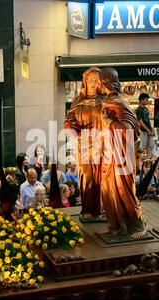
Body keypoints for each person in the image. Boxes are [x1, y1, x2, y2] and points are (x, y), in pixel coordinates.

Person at [99, 67, 147, 238]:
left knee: (123, 189)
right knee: (108, 189)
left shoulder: (119, 102)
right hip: (109, 152)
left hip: (121, 154)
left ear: (105, 82)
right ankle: (118, 226)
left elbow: (131, 127)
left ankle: (137, 223)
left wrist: (110, 122)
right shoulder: (107, 100)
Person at [64, 67, 103, 220]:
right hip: (84, 143)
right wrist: (75, 138)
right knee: (87, 178)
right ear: (85, 82)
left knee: (102, 178)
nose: (93, 83)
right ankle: (88, 208)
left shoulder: (105, 100)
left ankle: (101, 208)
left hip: (102, 142)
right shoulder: (78, 101)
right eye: (90, 80)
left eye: (96, 80)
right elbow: (69, 122)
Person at [136, 93, 155, 157]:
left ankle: (148, 160)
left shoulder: (146, 108)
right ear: (141, 100)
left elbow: (147, 119)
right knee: (143, 146)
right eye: (146, 100)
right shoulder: (138, 110)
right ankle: (141, 162)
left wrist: (151, 128)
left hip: (148, 130)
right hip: (143, 131)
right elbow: (140, 122)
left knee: (151, 145)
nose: (147, 101)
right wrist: (148, 130)